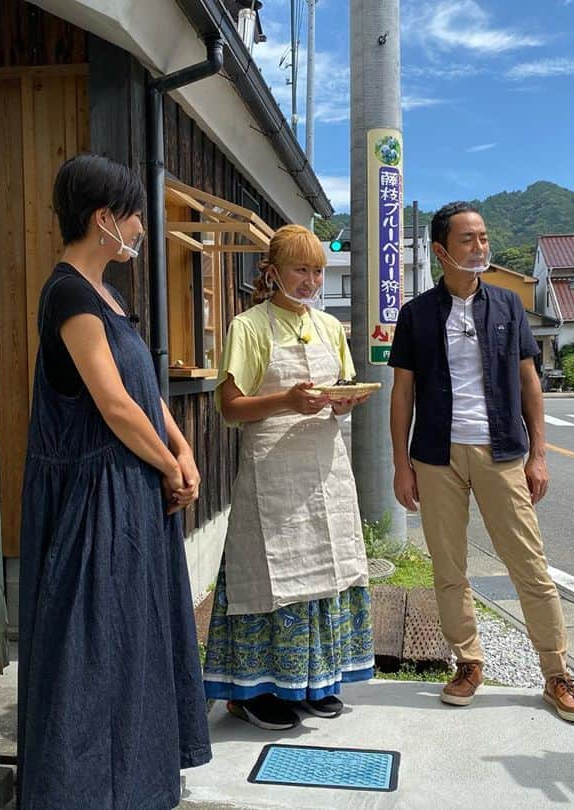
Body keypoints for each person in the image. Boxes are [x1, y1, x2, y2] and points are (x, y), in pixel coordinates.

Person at [17, 154, 210, 809]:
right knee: (92, 647)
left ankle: (137, 782)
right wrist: (167, 463)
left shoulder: (109, 295)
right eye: (134, 217)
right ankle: (79, 793)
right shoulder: (68, 292)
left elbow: (144, 393)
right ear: (105, 219)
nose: (140, 229)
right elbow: (112, 402)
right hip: (93, 500)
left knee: (135, 639)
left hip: (129, 491)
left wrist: (180, 450)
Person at [389, 201, 574, 723]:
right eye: (469, 240)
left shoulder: (507, 306)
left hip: (502, 450)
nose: (480, 247)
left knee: (529, 564)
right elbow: (402, 393)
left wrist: (539, 453)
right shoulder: (415, 314)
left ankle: (556, 672)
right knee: (448, 567)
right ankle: (469, 662)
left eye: (483, 238)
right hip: (435, 455)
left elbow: (530, 382)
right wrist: (400, 464)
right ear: (440, 251)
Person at [202, 224, 375, 731]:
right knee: (269, 577)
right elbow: (230, 407)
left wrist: (344, 404)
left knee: (326, 570)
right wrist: (287, 400)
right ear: (273, 271)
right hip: (272, 475)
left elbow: (340, 392)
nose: (311, 280)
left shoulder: (328, 327)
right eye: (301, 269)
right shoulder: (249, 326)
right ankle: (253, 692)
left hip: (324, 470)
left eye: (318, 270)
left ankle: (315, 683)